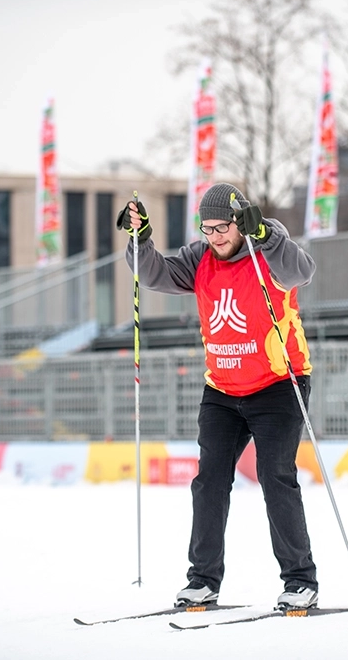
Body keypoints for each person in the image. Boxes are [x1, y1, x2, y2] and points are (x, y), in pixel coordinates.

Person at [117, 182, 319, 610]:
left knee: (274, 476)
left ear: (240, 221)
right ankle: (203, 579)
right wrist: (142, 242)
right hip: (223, 390)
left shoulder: (267, 248)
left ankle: (300, 580)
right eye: (207, 229)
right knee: (209, 482)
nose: (215, 237)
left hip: (278, 385)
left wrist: (265, 234)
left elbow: (301, 271)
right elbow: (154, 274)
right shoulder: (200, 258)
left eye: (223, 227)